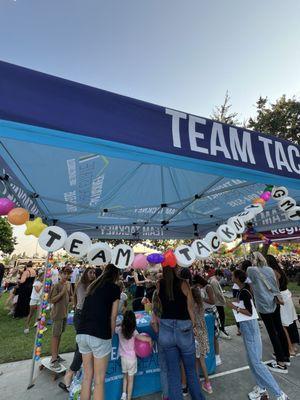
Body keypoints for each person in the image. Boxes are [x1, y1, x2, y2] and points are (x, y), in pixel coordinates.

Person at [228, 269, 289, 400]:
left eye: (233, 275)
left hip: (250, 329)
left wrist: (235, 307)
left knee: (256, 362)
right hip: (247, 329)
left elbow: (249, 312)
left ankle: (280, 395)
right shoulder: (242, 290)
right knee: (251, 361)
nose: (231, 276)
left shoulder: (245, 292)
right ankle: (261, 389)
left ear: (238, 278)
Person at [157, 266, 205, 400]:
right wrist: (194, 325)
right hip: (183, 327)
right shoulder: (183, 283)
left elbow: (161, 305)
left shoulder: (160, 283)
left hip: (166, 328)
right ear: (175, 267)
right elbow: (190, 307)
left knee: (173, 372)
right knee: (190, 370)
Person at [76, 263, 120, 400]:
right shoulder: (114, 288)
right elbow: (113, 316)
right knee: (99, 380)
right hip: (99, 334)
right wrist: (111, 335)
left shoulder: (92, 286)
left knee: (87, 377)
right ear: (116, 275)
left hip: (82, 333)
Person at [247, 252, 290, 374]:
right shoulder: (270, 270)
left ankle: (281, 363)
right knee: (279, 328)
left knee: (272, 332)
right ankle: (285, 356)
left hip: (264, 304)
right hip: (274, 301)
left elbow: (248, 282)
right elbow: (275, 285)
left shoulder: (251, 270)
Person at [59, 267, 96, 393]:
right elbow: (83, 301)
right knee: (81, 346)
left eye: (94, 273)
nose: (93, 274)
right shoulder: (81, 285)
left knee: (81, 346)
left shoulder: (91, 285)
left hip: (87, 317)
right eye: (90, 272)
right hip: (81, 316)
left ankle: (73, 373)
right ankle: (69, 374)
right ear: (85, 273)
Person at [266, 255, 299, 356]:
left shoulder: (273, 272)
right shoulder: (279, 269)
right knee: (290, 322)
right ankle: (293, 345)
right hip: (286, 296)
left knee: (282, 325)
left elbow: (275, 288)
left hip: (282, 298)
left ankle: (289, 349)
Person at [116, 310, 152, 400]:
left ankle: (123, 395)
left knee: (125, 376)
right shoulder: (134, 332)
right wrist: (150, 341)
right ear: (133, 322)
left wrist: (121, 323)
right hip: (132, 359)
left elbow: (115, 326)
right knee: (131, 380)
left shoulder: (120, 330)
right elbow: (145, 339)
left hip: (123, 358)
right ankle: (129, 398)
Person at [193, 274, 222, 367]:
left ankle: (217, 356)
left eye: (197, 284)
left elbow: (212, 301)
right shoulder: (198, 288)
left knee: (214, 335)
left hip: (211, 312)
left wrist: (201, 298)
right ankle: (210, 355)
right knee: (208, 334)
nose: (197, 286)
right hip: (204, 313)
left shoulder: (208, 287)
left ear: (199, 282)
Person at [48, 266, 72, 370]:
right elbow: (51, 300)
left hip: (64, 314)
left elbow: (69, 297)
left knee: (59, 335)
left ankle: (56, 355)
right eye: (65, 273)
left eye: (68, 274)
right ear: (60, 274)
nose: (66, 276)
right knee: (55, 336)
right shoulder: (57, 285)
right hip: (57, 314)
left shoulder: (68, 284)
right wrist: (62, 293)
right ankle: (53, 359)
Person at [191, 287, 212, 395]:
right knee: (202, 361)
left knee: (195, 361)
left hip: (196, 335)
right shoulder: (201, 304)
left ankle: (197, 384)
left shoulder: (192, 306)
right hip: (203, 334)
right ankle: (208, 383)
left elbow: (192, 322)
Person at [209, 269, 231, 340]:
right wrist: (223, 300)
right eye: (220, 277)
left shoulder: (212, 279)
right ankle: (222, 330)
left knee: (221, 317)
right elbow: (217, 293)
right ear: (218, 275)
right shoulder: (214, 281)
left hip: (217, 302)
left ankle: (222, 329)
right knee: (221, 317)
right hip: (218, 302)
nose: (221, 278)